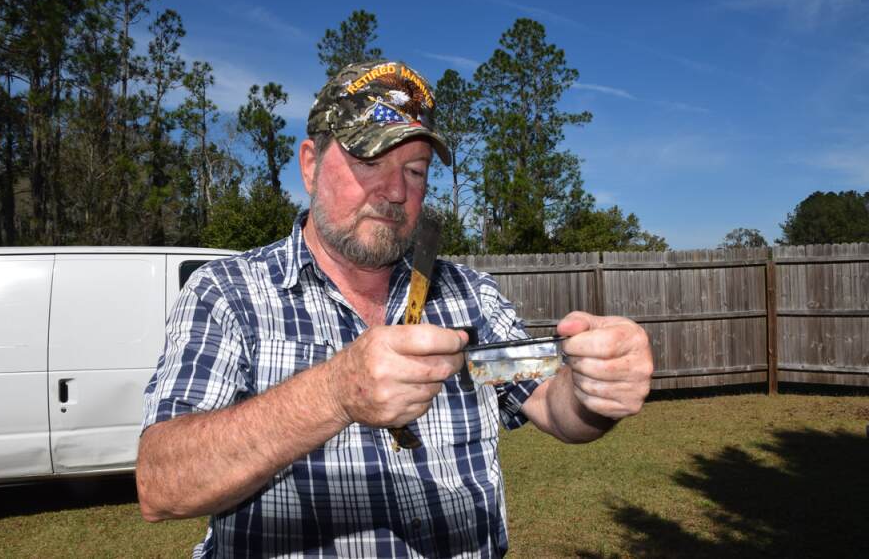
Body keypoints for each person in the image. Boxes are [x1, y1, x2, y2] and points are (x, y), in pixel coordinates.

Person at [136, 60, 653, 558]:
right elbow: (162, 483)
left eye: (415, 169)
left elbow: (547, 402)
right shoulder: (228, 293)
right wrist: (334, 393)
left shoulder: (468, 296)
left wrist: (591, 390)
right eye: (367, 161)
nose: (394, 191)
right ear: (310, 165)